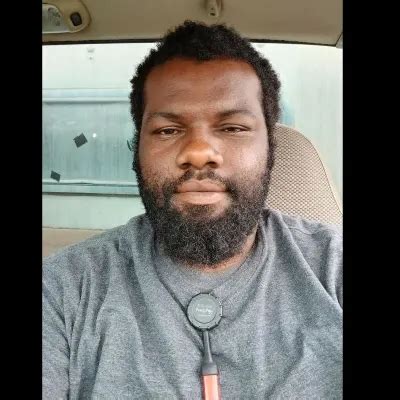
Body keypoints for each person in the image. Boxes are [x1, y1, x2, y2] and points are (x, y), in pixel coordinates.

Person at [43, 20, 342, 399]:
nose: (199, 152)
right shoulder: (62, 290)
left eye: (233, 128)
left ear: (271, 148)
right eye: (168, 130)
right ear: (137, 150)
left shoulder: (333, 268)